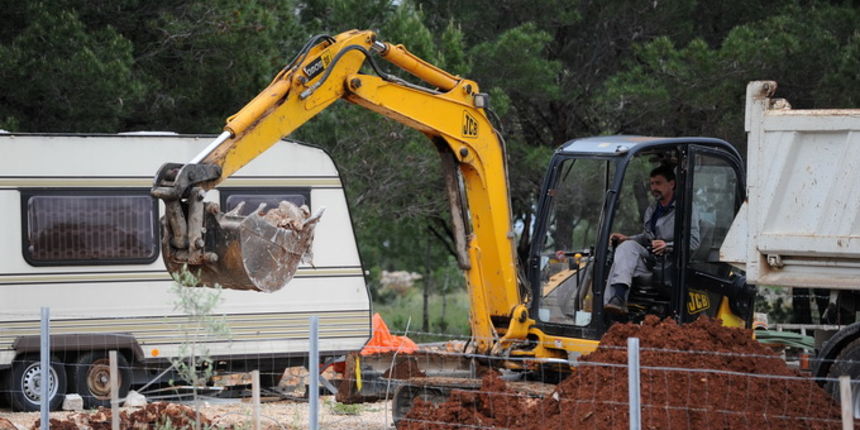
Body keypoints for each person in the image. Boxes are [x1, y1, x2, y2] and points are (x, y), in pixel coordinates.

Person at [604, 165, 699, 315]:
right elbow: (647, 237)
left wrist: (667, 245)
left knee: (625, 255)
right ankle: (615, 302)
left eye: (658, 183)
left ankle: (616, 301)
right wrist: (627, 238)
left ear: (672, 184)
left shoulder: (685, 209)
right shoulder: (652, 209)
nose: (654, 187)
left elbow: (693, 242)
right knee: (622, 252)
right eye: (652, 183)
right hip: (651, 261)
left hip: (671, 265)